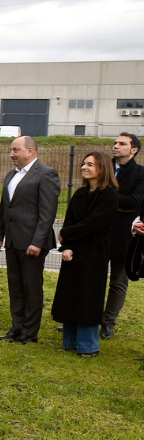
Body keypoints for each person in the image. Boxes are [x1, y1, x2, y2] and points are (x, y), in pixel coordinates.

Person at [0, 136, 61, 345]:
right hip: (13, 241)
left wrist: (38, 242)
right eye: (11, 150)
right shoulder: (12, 174)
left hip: (32, 243)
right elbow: (5, 208)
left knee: (31, 287)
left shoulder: (46, 174)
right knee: (15, 285)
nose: (11, 154)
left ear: (30, 151)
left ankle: (30, 333)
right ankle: (17, 327)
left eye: (16, 150)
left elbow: (47, 213)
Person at [52, 152, 119, 357]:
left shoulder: (109, 195)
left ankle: (88, 345)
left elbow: (94, 224)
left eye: (90, 164)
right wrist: (67, 246)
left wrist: (66, 235)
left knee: (88, 298)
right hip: (74, 252)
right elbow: (70, 221)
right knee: (70, 294)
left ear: (102, 168)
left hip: (94, 253)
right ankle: (70, 341)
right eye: (83, 163)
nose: (84, 167)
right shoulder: (79, 194)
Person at [101, 133, 144, 338]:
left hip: (124, 235)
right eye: (115, 142)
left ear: (133, 150)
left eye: (121, 143)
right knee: (92, 278)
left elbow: (134, 202)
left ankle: (107, 322)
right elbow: (89, 195)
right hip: (98, 232)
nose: (115, 146)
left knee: (118, 282)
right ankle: (85, 317)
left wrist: (106, 198)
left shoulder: (140, 174)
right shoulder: (101, 167)